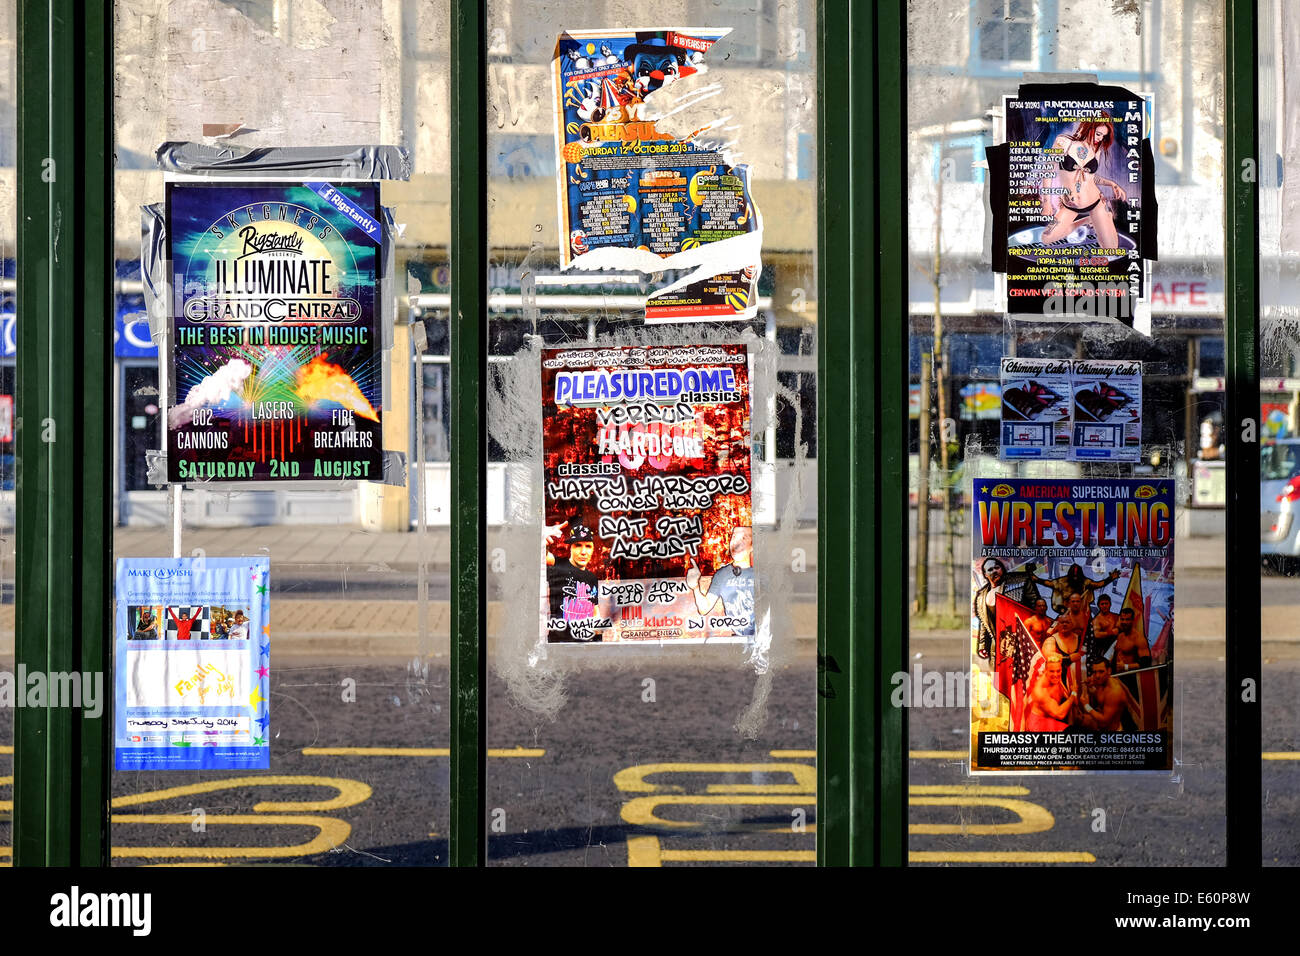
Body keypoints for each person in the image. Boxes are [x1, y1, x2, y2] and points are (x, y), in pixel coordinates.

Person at [1038, 117, 1130, 249]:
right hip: (1070, 204)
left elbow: (1090, 178)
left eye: (1103, 136)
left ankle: (1105, 216)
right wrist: (1046, 203)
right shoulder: (1063, 142)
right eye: (1098, 134)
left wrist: (1112, 184)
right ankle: (1086, 220)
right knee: (1047, 238)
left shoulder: (1096, 149)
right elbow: (1047, 171)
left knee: (1111, 248)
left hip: (1096, 202)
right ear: (1088, 127)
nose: (1100, 138)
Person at [972, 557, 1041, 659]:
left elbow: (1035, 609)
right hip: (996, 647)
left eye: (997, 568)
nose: (994, 571)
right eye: (990, 570)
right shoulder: (982, 595)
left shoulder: (1020, 583)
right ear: (985, 574)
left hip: (1021, 642)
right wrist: (982, 644)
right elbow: (984, 621)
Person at [545, 524, 602, 642]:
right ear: (570, 547)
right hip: (560, 643)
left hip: (586, 643)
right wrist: (541, 539)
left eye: (588, 546)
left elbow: (595, 610)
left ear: (593, 549)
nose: (583, 552)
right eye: (578, 545)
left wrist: (599, 638)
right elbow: (542, 555)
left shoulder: (592, 578)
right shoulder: (558, 564)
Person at [1033, 562, 1121, 615]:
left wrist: (1110, 578)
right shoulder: (1062, 582)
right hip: (1066, 613)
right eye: (1073, 576)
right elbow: (1048, 583)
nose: (1075, 578)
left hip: (1082, 613)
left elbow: (1098, 584)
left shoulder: (1085, 582)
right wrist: (1037, 579)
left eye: (1077, 576)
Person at [1072, 658, 1127, 731]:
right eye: (1094, 672)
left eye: (1101, 672)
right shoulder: (1100, 682)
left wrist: (1086, 706)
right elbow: (1100, 697)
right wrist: (1091, 687)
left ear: (1109, 671)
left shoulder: (1114, 692)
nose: (1097, 676)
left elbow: (1104, 721)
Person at [1022, 657, 1072, 732]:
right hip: (1037, 725)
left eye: (1058, 671)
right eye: (1052, 671)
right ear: (1046, 671)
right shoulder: (1040, 690)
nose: (1055, 674)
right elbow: (1060, 714)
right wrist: (1074, 694)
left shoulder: (1056, 678)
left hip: (1051, 720)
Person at [1112, 606, 1152, 671]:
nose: (1124, 622)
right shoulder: (1120, 636)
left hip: (1129, 675)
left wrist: (1125, 667)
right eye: (1122, 619)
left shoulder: (1138, 639)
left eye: (1127, 619)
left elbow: (1146, 663)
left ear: (1133, 620)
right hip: (1117, 674)